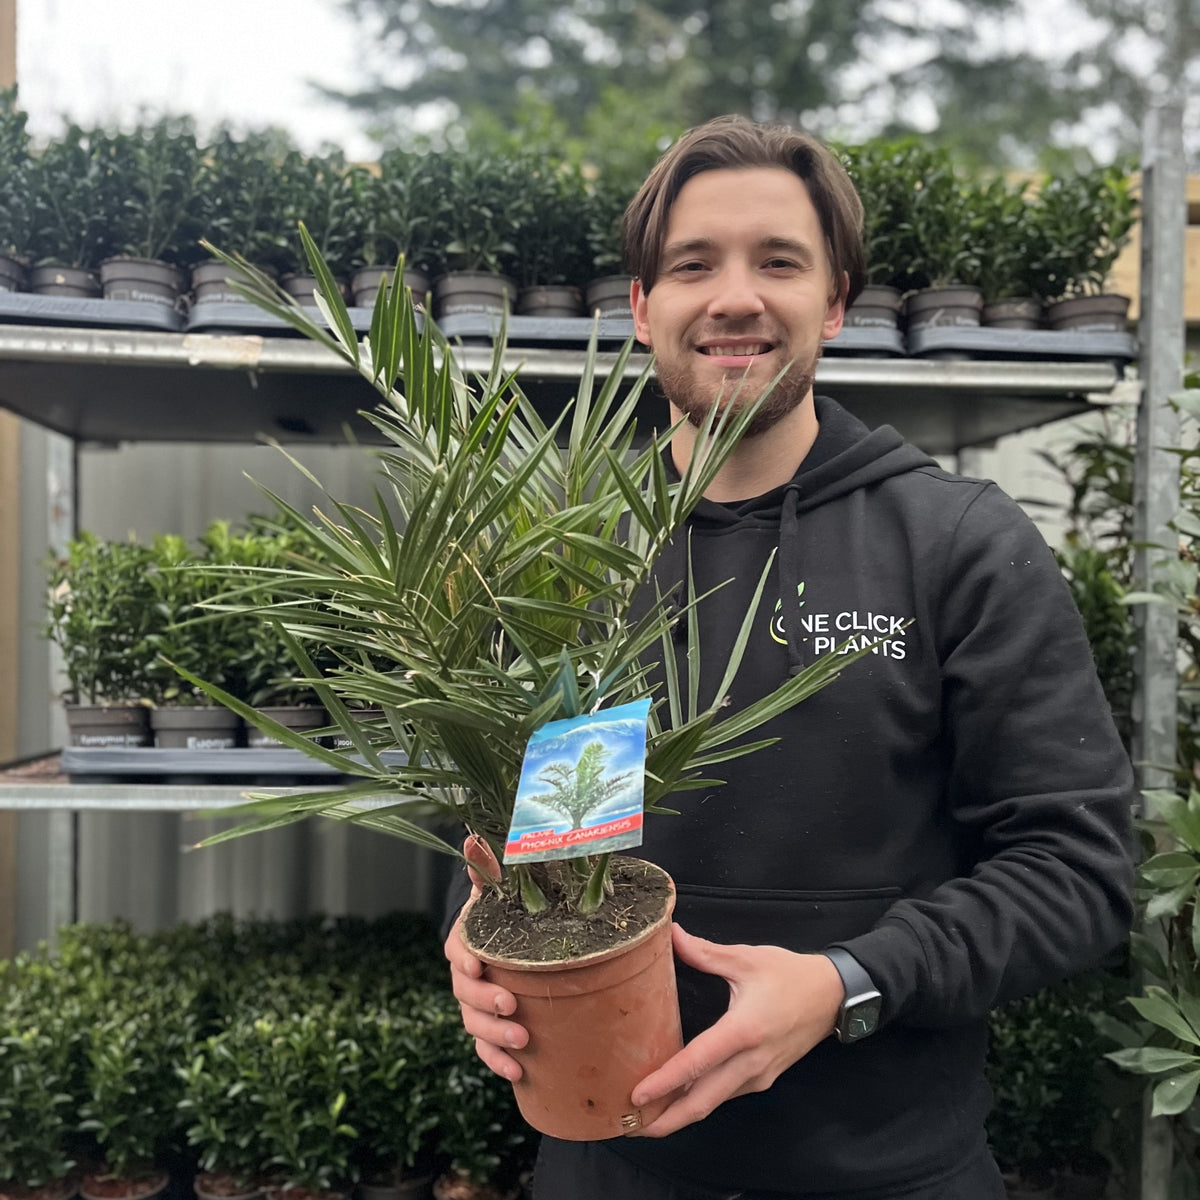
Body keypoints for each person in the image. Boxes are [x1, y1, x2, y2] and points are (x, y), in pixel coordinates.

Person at [444, 114, 1134, 1200]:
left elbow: (1077, 872)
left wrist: (847, 982)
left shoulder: (955, 545)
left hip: (890, 1171)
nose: (734, 297)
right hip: (606, 1164)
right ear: (641, 307)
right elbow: (526, 833)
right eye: (692, 264)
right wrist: (475, 938)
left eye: (779, 261)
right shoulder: (570, 557)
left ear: (836, 301)